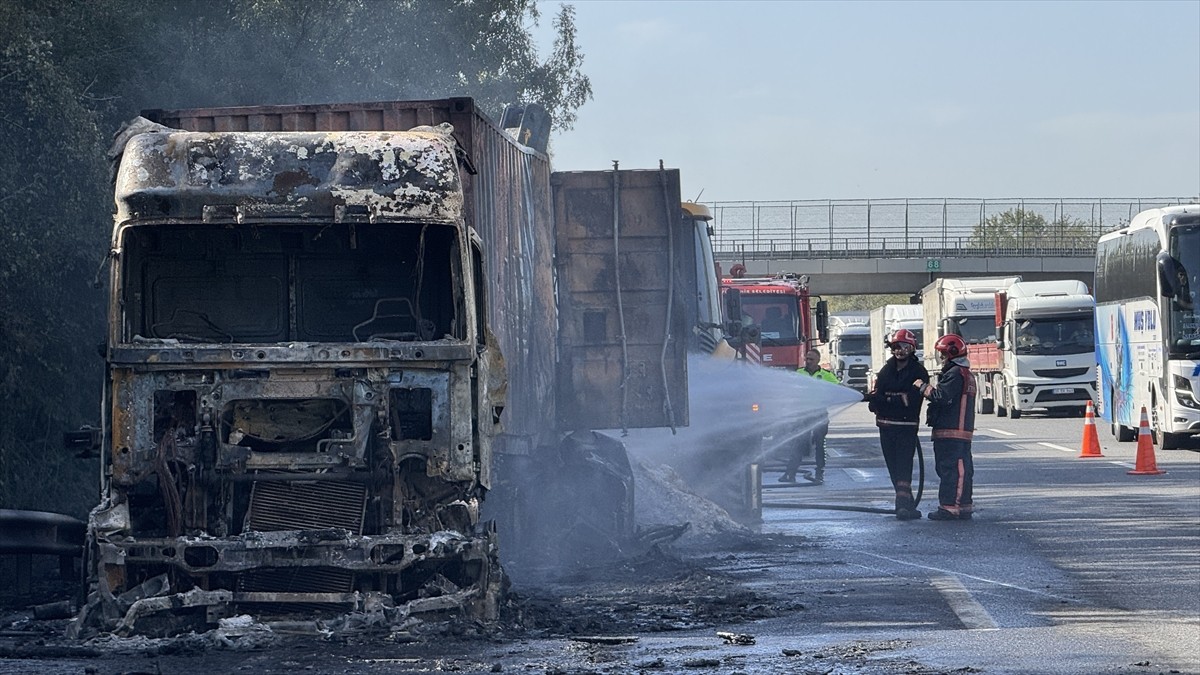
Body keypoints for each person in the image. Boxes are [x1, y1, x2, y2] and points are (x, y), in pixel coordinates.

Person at [863, 328, 929, 520]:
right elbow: (879, 394)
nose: (899, 350)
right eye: (896, 347)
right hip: (885, 426)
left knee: (903, 465)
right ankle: (907, 505)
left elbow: (910, 400)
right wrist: (875, 401)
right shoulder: (886, 370)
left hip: (906, 428)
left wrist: (887, 399)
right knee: (893, 466)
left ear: (912, 348)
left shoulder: (918, 372)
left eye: (903, 347)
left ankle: (901, 504)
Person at [913, 334, 976, 521]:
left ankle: (949, 507)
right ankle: (964, 505)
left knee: (950, 469)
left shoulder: (955, 373)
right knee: (962, 469)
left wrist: (922, 386)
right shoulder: (965, 373)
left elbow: (942, 396)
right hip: (960, 431)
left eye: (942, 353)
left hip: (951, 430)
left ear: (950, 353)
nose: (940, 358)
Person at [779, 349, 839, 483]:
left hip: (820, 415)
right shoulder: (799, 373)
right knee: (798, 444)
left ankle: (819, 474)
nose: (808, 361)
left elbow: (838, 389)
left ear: (818, 361)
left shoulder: (826, 375)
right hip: (803, 415)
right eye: (807, 359)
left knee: (819, 446)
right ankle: (790, 474)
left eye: (811, 359)